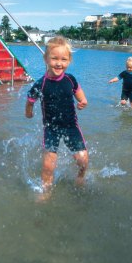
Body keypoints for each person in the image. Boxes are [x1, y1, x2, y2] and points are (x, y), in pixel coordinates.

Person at [25, 36, 88, 198]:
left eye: (63, 59)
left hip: (71, 126)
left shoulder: (70, 79)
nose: (59, 63)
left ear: (69, 61)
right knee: (48, 165)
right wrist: (28, 112)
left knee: (82, 159)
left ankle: (80, 176)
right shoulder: (41, 83)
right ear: (46, 58)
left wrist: (82, 101)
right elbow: (30, 100)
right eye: (54, 58)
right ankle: (46, 191)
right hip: (51, 128)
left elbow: (79, 92)